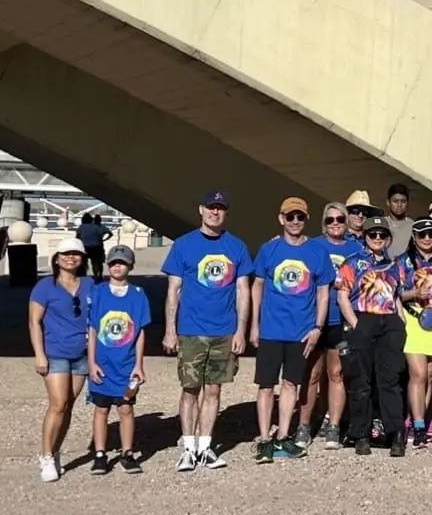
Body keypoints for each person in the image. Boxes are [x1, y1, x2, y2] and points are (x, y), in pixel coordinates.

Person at [161, 190, 252, 471]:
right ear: (201, 209)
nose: (215, 212)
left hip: (224, 330)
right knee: (190, 389)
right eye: (211, 207)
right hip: (191, 330)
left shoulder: (236, 247)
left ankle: (206, 446)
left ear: (226, 212)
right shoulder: (184, 245)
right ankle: (188, 447)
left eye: (220, 208)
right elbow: (173, 290)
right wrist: (170, 330)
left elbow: (243, 292)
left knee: (214, 390)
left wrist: (241, 331)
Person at [250, 197, 333, 462]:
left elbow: (323, 292)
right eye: (290, 217)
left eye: (300, 217)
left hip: (301, 331)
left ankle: (284, 436)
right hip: (271, 330)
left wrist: (318, 327)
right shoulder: (269, 249)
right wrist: (254, 324)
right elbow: (257, 286)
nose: (295, 221)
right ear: (281, 219)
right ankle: (264, 439)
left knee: (290, 384)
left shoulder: (317, 251)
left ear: (306, 220)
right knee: (265, 385)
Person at [337, 215, 407, 456]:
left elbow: (396, 294)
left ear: (388, 239)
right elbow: (342, 295)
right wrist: (355, 324)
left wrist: (401, 319)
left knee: (390, 380)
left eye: (382, 235)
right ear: (365, 237)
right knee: (361, 381)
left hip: (389, 322)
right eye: (372, 234)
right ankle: (361, 433)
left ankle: (395, 432)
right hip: (363, 318)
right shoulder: (352, 262)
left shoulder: (395, 265)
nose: (377, 238)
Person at [28, 238, 95, 482]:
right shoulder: (45, 287)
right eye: (65, 254)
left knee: (68, 405)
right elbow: (34, 322)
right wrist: (39, 354)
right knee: (57, 404)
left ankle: (56, 452)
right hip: (55, 352)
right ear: (56, 258)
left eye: (76, 254)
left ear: (82, 259)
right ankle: (45, 455)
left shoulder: (89, 284)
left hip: (82, 353)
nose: (70, 257)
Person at [298, 202, 361, 451]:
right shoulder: (312, 245)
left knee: (337, 373)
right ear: (323, 224)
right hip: (314, 319)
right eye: (330, 220)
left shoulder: (356, 248)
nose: (335, 224)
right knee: (312, 373)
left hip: (342, 318)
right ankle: (304, 424)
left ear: (347, 222)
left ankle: (333, 425)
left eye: (340, 219)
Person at [87, 245, 149, 475]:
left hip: (126, 363)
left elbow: (141, 331)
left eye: (122, 263)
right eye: (113, 263)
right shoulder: (98, 292)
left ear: (130, 266)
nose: (117, 266)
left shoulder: (138, 295)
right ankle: (100, 454)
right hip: (102, 363)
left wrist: (139, 364)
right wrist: (91, 362)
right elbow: (93, 330)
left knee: (125, 409)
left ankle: (127, 452)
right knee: (101, 409)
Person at [399, 217, 432, 448]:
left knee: (430, 376)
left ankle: (418, 419)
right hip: (413, 321)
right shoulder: (403, 261)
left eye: (431, 234)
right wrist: (414, 294)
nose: (428, 239)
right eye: (422, 235)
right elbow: (393, 293)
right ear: (414, 237)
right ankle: (419, 426)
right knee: (418, 375)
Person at [76, 213, 113, 283]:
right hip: (96, 247)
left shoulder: (81, 227)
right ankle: (97, 276)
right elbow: (106, 234)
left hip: (85, 247)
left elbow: (77, 237)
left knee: (83, 263)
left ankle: (82, 276)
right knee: (96, 263)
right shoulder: (96, 227)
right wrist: (103, 240)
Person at [386, 183, 413, 257]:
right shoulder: (381, 224)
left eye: (403, 201)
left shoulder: (413, 226)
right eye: (395, 201)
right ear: (388, 202)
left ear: (407, 203)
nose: (399, 205)